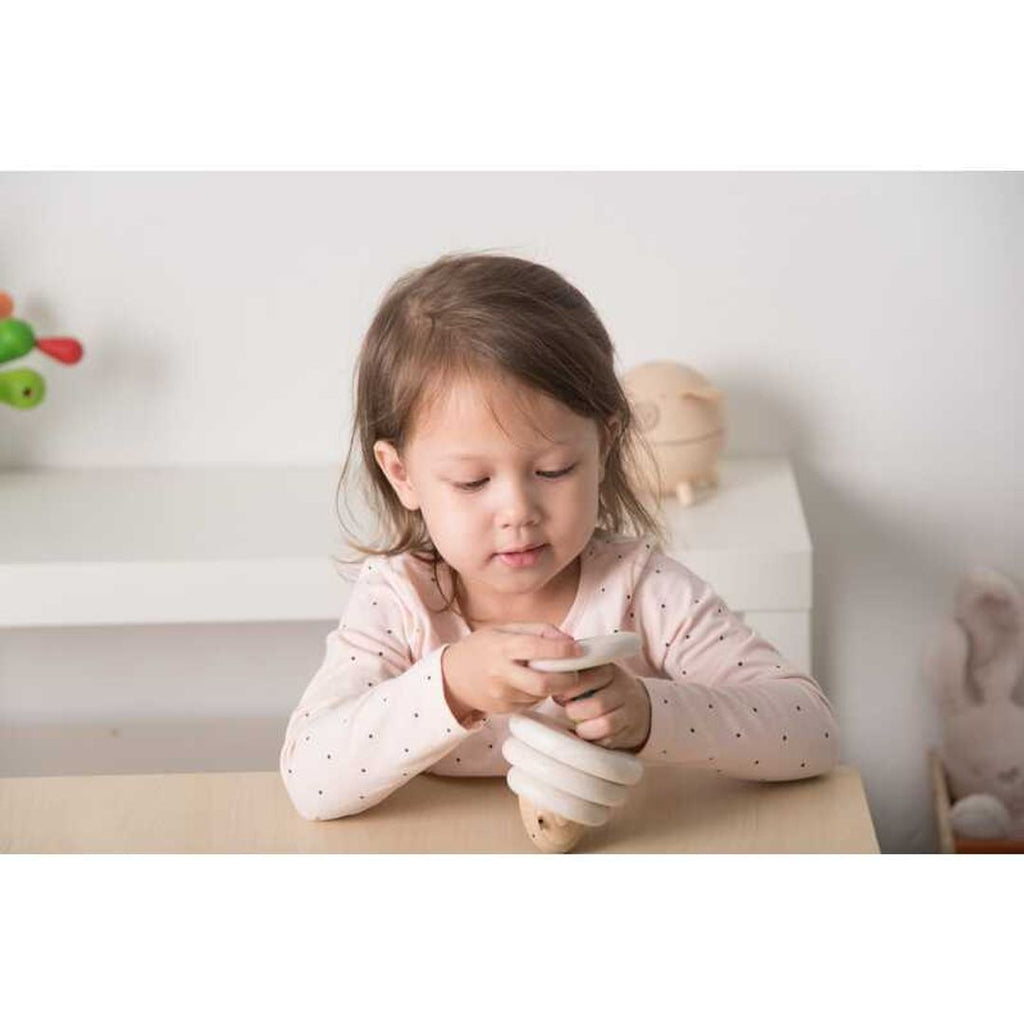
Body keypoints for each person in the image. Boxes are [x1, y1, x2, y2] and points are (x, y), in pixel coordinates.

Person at [280, 250, 839, 821]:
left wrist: (651, 713)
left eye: (553, 471)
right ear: (402, 475)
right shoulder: (399, 600)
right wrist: (451, 684)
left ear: (603, 445)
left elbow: (811, 728)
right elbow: (310, 779)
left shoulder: (642, 589)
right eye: (473, 482)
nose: (518, 511)